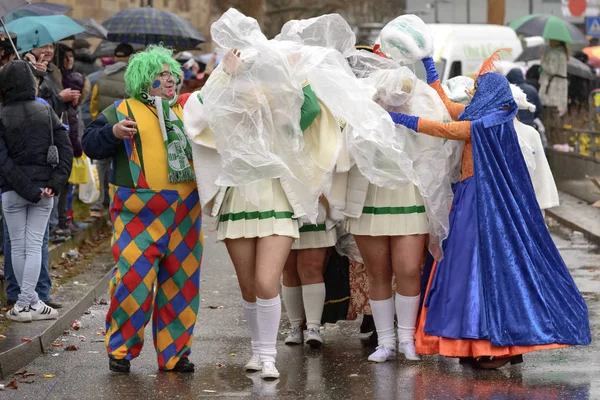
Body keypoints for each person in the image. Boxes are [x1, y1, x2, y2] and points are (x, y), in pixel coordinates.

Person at [388, 53, 590, 369]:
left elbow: (444, 128)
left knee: (476, 273)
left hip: (480, 204)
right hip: (474, 199)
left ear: (489, 93)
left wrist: (404, 120)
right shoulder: (483, 115)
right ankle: (495, 344)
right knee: (479, 273)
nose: (473, 93)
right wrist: (430, 69)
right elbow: (446, 108)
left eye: (478, 89)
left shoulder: (486, 122)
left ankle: (491, 345)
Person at [83, 46, 202, 374]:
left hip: (185, 212)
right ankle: (120, 349)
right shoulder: (122, 109)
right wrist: (113, 132)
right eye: (160, 76)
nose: (169, 81)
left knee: (182, 282)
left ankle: (175, 354)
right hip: (139, 213)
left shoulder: (185, 109)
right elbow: (89, 141)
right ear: (142, 81)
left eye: (172, 75)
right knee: (133, 281)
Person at [0, 61, 73, 322]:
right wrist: (55, 182)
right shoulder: (46, 112)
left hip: (13, 190)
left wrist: (25, 188)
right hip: (45, 189)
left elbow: (3, 160)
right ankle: (29, 303)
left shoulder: (1, 114)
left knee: (18, 247)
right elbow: (66, 149)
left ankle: (24, 303)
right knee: (34, 246)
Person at [88, 43, 134, 216]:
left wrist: (97, 120)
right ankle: (115, 204)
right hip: (125, 128)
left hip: (103, 125)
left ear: (115, 57)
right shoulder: (131, 77)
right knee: (119, 167)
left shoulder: (102, 75)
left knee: (102, 166)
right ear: (130, 57)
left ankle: (98, 203)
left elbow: (93, 101)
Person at [56, 44, 90, 232]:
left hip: (74, 138)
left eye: (71, 56)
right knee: (64, 187)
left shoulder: (76, 79)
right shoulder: (58, 80)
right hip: (66, 140)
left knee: (70, 187)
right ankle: (62, 222)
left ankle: (67, 219)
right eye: (66, 57)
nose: (69, 60)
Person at [539, 40, 569, 144]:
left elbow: (551, 69)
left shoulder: (553, 54)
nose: (549, 42)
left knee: (550, 112)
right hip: (560, 87)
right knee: (558, 113)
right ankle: (558, 141)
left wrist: (543, 62)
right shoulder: (564, 54)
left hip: (552, 87)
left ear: (555, 42)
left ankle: (551, 141)